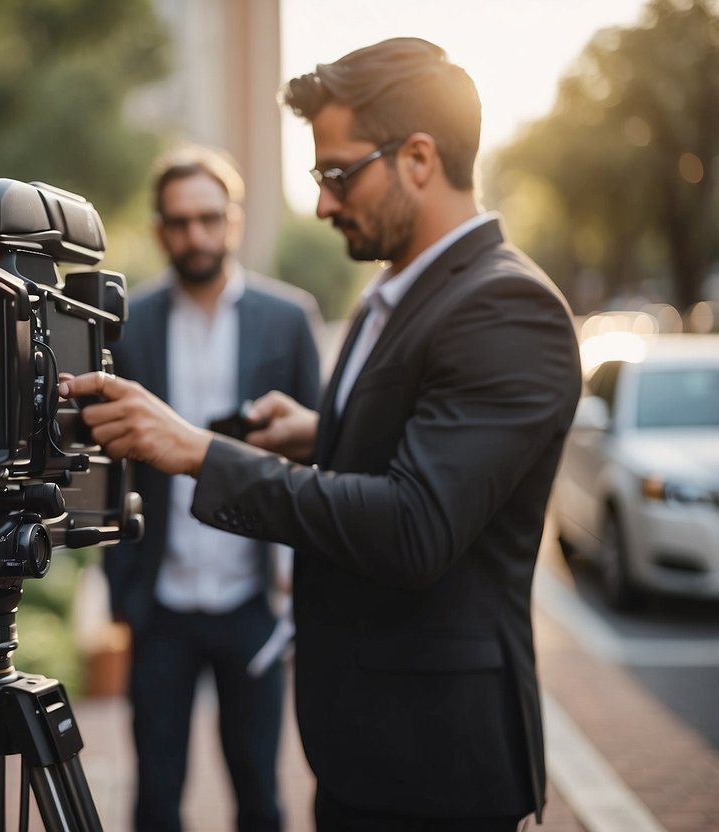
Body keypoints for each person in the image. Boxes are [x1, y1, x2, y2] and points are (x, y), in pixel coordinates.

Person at [60, 38, 582, 830]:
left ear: (416, 157)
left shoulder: (503, 307)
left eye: (336, 174)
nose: (323, 204)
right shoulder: (403, 295)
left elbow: (414, 525)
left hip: (432, 762)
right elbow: (409, 443)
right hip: (367, 743)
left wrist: (200, 452)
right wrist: (321, 432)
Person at [107, 145, 323, 832]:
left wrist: (293, 580)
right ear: (158, 229)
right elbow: (109, 462)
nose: (194, 235)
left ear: (232, 220)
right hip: (159, 601)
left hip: (252, 599)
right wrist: (118, 585)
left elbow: (313, 459)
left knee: (259, 790)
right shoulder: (129, 322)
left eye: (207, 218)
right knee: (155, 795)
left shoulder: (287, 317)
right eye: (178, 221)